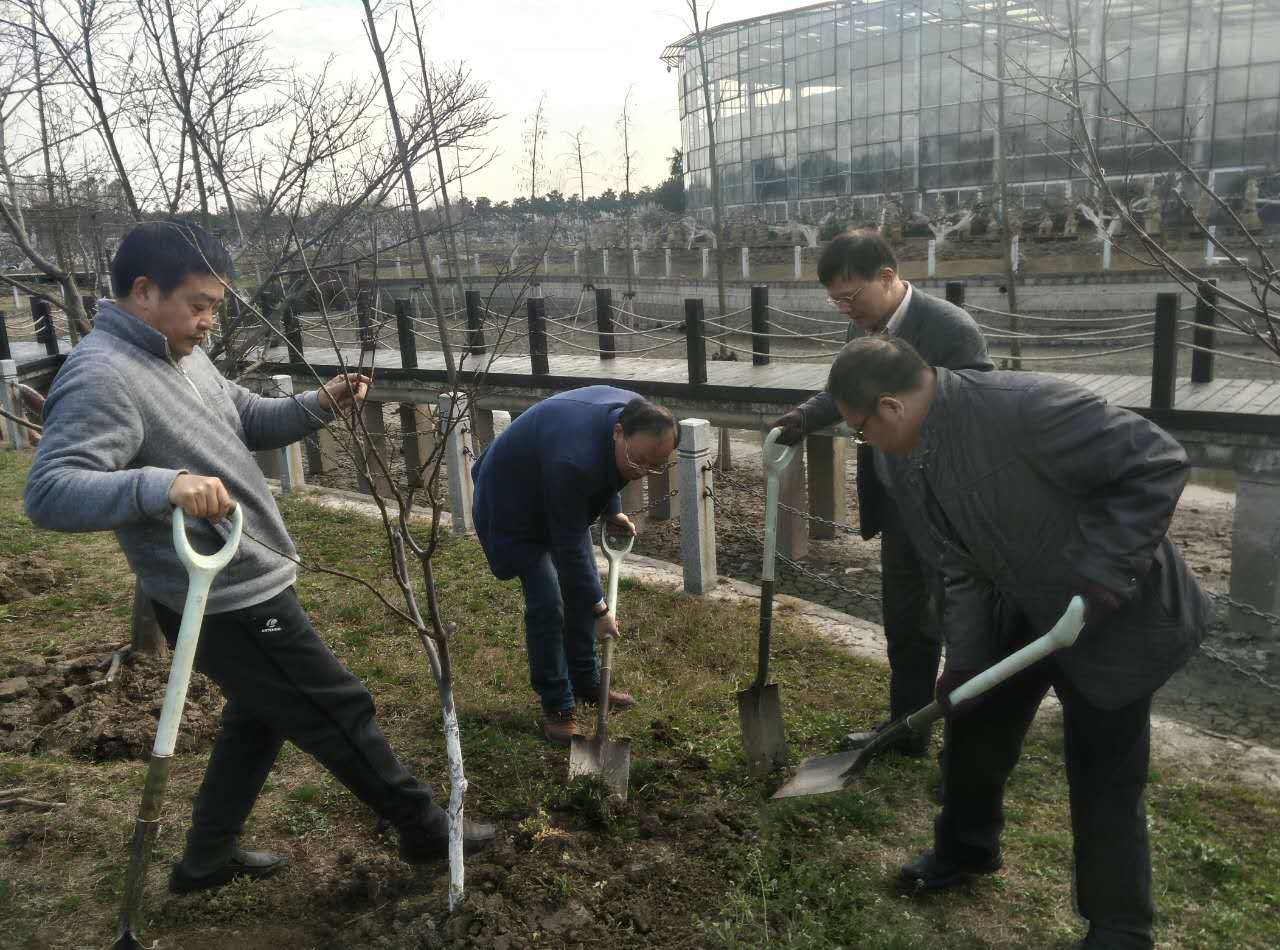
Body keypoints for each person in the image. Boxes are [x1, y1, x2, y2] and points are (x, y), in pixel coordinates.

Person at [24, 221, 493, 895]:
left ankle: (206, 859)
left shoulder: (179, 352)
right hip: (222, 595)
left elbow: (242, 417)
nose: (209, 321)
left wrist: (316, 405)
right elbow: (50, 492)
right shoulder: (103, 375)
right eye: (200, 305)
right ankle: (424, 828)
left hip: (244, 575)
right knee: (336, 704)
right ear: (145, 290)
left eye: (215, 306)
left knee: (260, 715)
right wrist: (162, 484)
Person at [826, 336, 1210, 950]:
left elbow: (1158, 460)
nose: (862, 442)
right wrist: (966, 662)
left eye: (859, 430)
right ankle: (966, 849)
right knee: (974, 729)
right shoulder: (903, 459)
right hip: (1018, 604)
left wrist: (1101, 575)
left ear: (891, 407)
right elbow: (958, 565)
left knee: (1104, 771)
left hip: (1108, 608)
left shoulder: (1026, 405)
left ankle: (1120, 926)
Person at [769, 230, 993, 756]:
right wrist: (805, 415)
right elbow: (849, 391)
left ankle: (971, 745)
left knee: (965, 629)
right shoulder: (864, 328)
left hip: (946, 509)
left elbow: (975, 410)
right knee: (906, 623)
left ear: (887, 278)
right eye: (836, 301)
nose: (846, 310)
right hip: (898, 505)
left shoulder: (950, 329)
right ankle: (906, 729)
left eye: (851, 297)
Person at [471, 386, 678, 745]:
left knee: (583, 584)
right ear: (618, 431)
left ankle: (586, 682)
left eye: (655, 466)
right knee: (549, 600)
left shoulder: (634, 416)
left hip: (554, 486)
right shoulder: (574, 460)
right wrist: (600, 611)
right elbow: (568, 548)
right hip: (512, 504)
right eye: (641, 461)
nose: (643, 472)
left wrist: (612, 509)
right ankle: (557, 706)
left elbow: (611, 466)